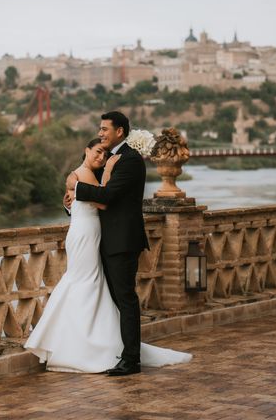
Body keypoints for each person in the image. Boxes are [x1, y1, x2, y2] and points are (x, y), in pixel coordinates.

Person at [25, 118, 191, 375]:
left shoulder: (129, 160)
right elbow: (91, 197)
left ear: (119, 131)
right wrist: (71, 201)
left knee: (124, 299)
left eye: (104, 129)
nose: (101, 134)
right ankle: (107, 348)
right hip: (96, 238)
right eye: (99, 133)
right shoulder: (109, 160)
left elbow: (107, 196)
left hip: (121, 241)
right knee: (104, 295)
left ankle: (131, 360)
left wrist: (76, 187)